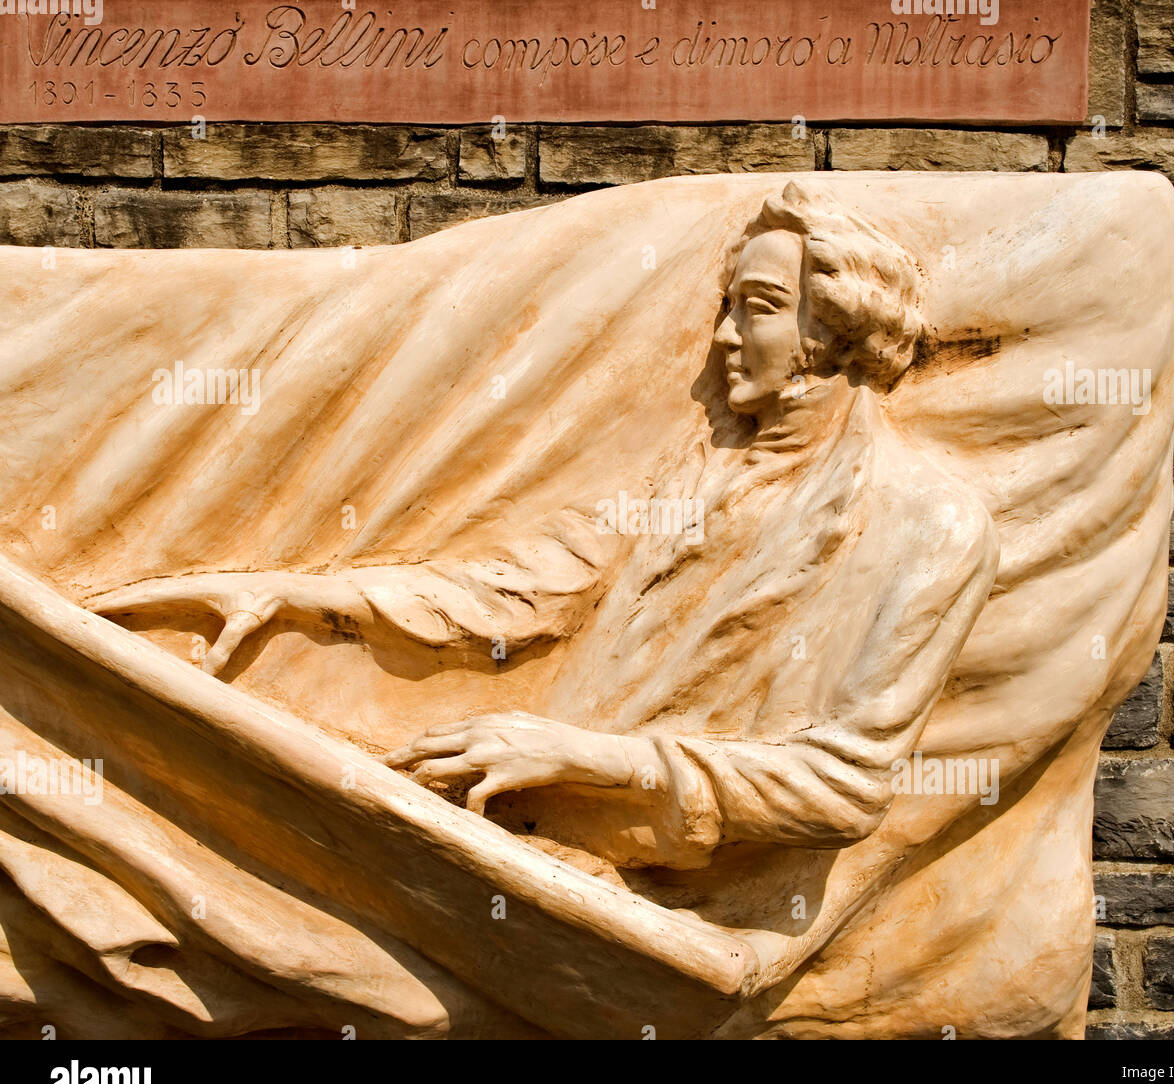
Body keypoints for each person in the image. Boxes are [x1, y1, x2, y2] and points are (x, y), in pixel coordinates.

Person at [91, 181, 999, 870]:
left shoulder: (931, 526)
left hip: (661, 908)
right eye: (727, 305)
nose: (723, 336)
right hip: (522, 847)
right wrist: (298, 597)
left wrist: (585, 758)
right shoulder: (699, 470)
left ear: (842, 328)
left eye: (757, 309)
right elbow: (519, 587)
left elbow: (844, 786)